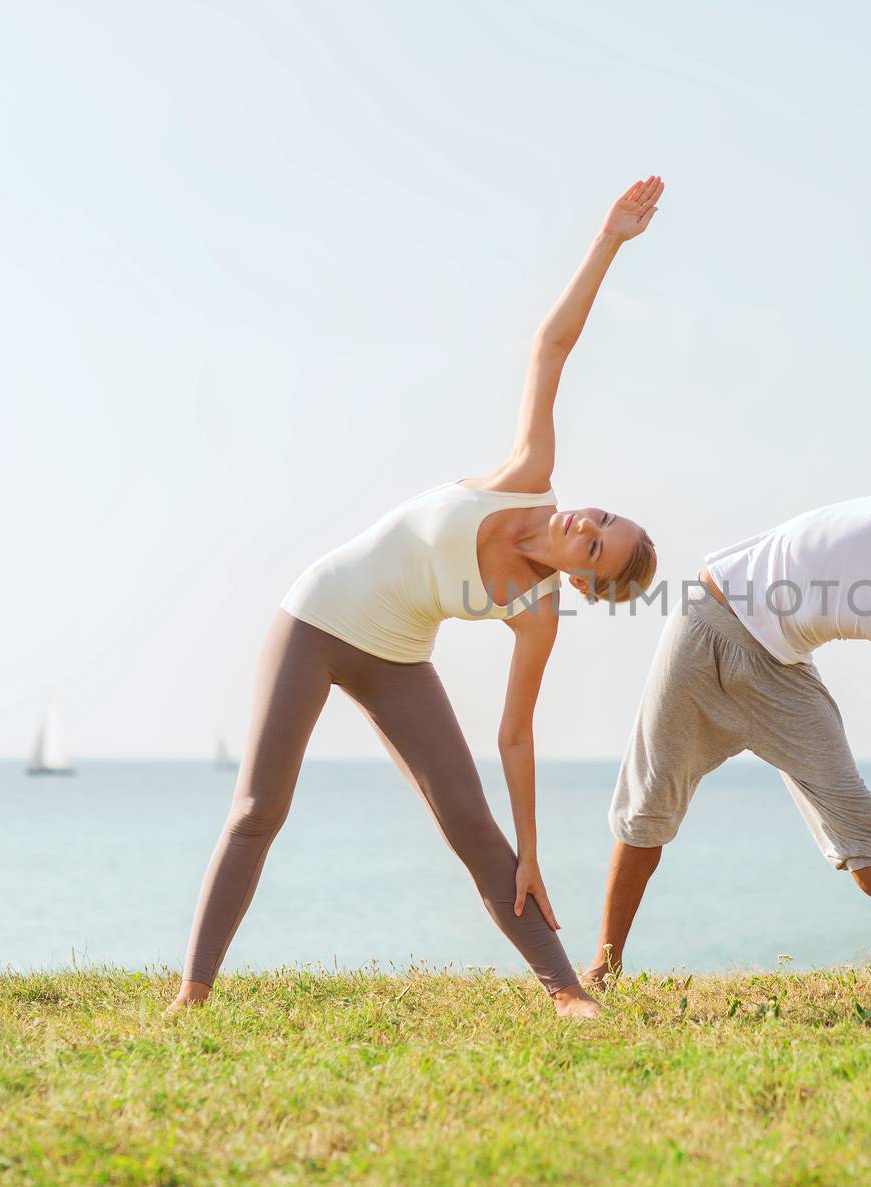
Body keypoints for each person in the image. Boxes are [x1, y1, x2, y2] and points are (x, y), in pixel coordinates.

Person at [168, 177, 666, 1019]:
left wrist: (533, 849)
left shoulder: (538, 613)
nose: (587, 520)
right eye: (604, 518)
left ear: (584, 579)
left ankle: (566, 993)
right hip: (318, 617)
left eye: (595, 543)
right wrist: (609, 242)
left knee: (474, 826)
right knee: (259, 806)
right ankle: (193, 990)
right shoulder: (528, 478)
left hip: (398, 656)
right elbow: (552, 346)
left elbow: (515, 735)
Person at [586, 187, 871, 998]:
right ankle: (601, 963)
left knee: (853, 810)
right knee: (649, 805)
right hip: (707, 623)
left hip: (781, 676)